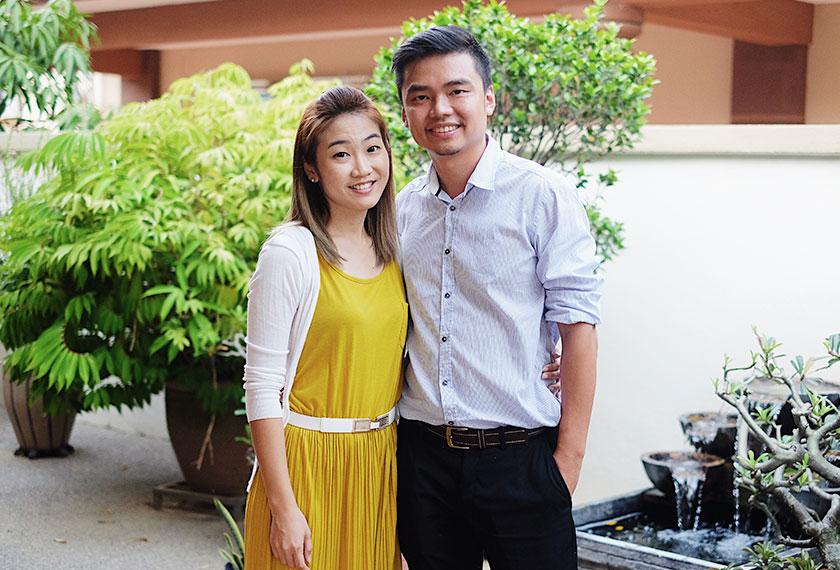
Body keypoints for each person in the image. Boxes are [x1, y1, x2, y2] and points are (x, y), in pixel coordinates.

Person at [391, 26, 604, 570]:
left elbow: (579, 326)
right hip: (424, 462)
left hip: (523, 462)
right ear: (406, 112)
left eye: (457, 90)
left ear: (488, 99)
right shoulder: (401, 211)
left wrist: (566, 465)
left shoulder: (542, 196)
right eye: (420, 96)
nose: (440, 108)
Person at [242, 85, 405, 570]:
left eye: (373, 148)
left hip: (380, 468)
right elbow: (262, 386)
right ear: (311, 169)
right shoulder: (290, 253)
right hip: (307, 468)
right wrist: (283, 508)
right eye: (341, 153)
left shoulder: (397, 248)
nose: (363, 167)